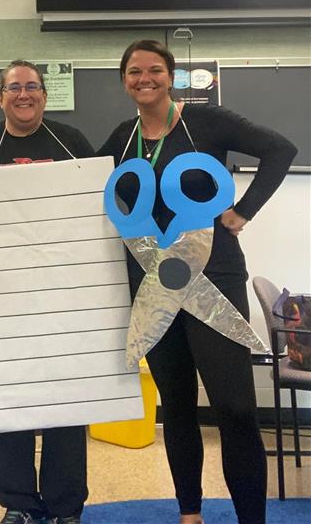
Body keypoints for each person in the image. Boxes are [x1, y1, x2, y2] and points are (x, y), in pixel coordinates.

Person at [97, 40, 297, 524]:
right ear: (124, 81)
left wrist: (243, 212)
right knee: (178, 404)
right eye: (134, 72)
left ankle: (251, 517)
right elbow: (81, 182)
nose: (144, 79)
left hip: (214, 275)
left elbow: (280, 149)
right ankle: (189, 513)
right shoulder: (124, 138)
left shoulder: (207, 121)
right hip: (152, 282)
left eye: (154, 70)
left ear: (171, 75)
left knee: (235, 407)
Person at [0, 59, 94, 524]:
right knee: (7, 402)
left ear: (44, 95)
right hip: (1, 301)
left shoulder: (71, 143)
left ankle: (64, 505)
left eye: (32, 86)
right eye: (14, 87)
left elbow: (95, 211)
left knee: (66, 402)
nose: (24, 94)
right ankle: (18, 502)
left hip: (63, 297)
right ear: (0, 97)